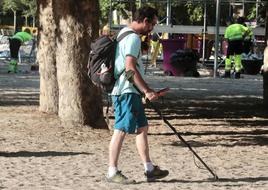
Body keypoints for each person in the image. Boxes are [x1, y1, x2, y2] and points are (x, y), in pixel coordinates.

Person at [106, 6, 169, 184]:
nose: (153, 28)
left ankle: (149, 169)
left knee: (142, 128)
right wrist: (147, 91)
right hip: (126, 92)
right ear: (145, 21)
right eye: (153, 24)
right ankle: (112, 171)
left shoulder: (124, 33)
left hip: (129, 90)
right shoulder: (133, 37)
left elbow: (127, 70)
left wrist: (142, 89)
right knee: (121, 129)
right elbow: (129, 68)